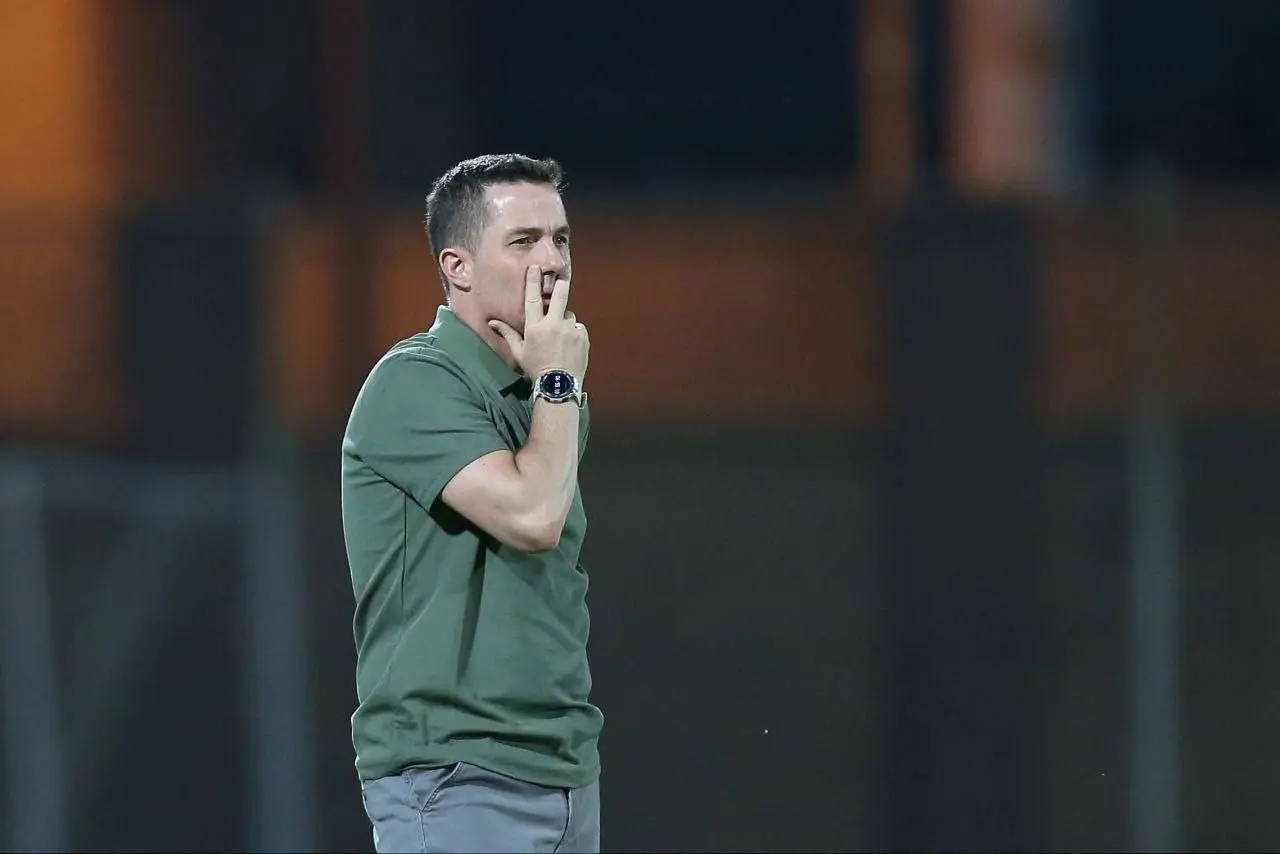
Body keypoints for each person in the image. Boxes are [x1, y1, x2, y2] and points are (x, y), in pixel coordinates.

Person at [340, 153, 602, 853]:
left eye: (561, 239)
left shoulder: (546, 393)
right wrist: (558, 383)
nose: (553, 262)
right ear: (457, 267)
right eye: (523, 241)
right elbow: (533, 518)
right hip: (457, 773)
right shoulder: (413, 382)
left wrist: (553, 388)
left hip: (564, 769)